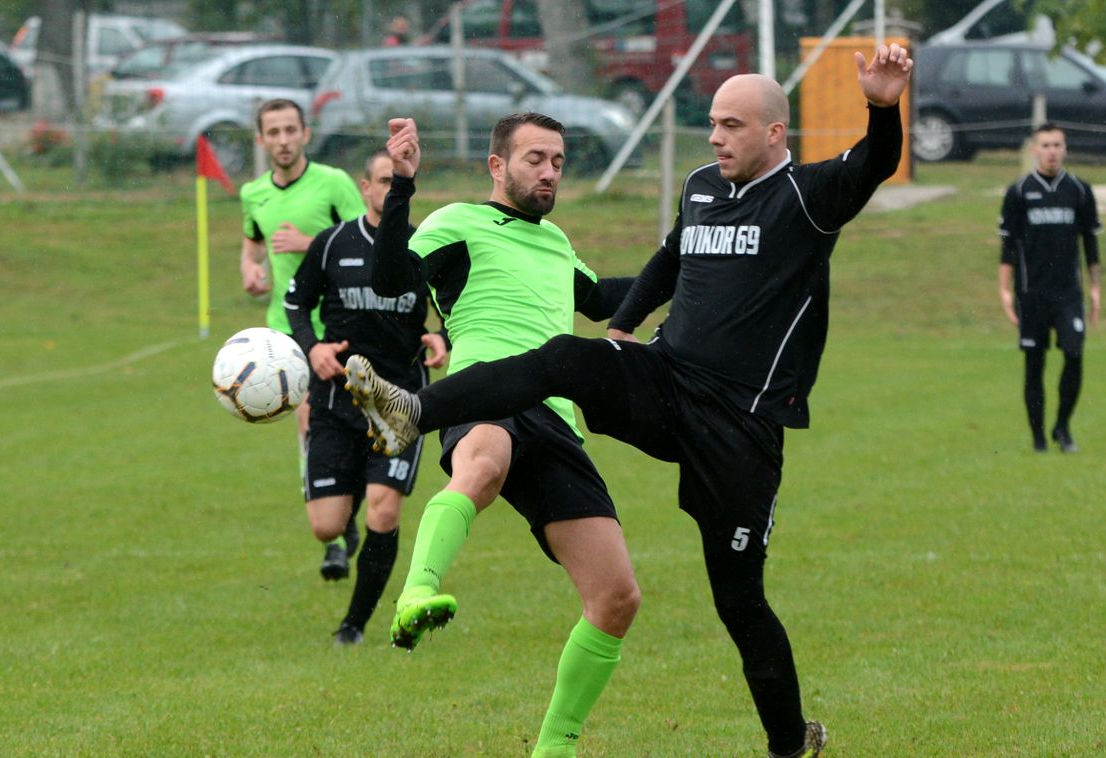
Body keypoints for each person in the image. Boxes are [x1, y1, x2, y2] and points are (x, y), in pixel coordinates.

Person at [345, 47, 914, 758]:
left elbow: (872, 162)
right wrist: (622, 326)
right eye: (712, 123)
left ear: (774, 133)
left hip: (739, 425)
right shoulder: (703, 185)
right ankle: (410, 413)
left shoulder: (808, 194)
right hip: (666, 380)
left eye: (731, 125)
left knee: (737, 599)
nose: (714, 137)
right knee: (559, 362)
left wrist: (882, 105)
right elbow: (673, 258)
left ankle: (787, 742)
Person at [358, 112, 640, 757]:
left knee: (617, 596)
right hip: (483, 390)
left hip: (556, 416)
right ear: (497, 165)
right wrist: (402, 186)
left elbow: (604, 302)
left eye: (558, 163)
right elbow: (391, 280)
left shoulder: (558, 241)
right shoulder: (458, 221)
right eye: (535, 159)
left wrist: (694, 263)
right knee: (482, 465)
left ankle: (555, 748)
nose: (548, 173)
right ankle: (416, 592)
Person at [284, 150, 448, 644]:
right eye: (382, 181)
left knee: (385, 509)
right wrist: (312, 350)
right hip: (336, 401)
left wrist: (445, 337)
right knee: (326, 526)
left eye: (397, 183)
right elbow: (296, 304)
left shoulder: (425, 246)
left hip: (401, 402)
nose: (388, 190)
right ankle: (345, 522)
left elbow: (457, 307)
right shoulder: (332, 244)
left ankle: (353, 626)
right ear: (365, 187)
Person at [239, 98, 367, 579]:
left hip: (340, 323)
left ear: (306, 134)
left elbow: (364, 238)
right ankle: (334, 538)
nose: (283, 140)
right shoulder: (254, 193)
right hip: (287, 329)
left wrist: (308, 243)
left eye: (291, 130)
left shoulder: (333, 183)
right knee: (306, 422)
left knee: (350, 425)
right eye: (273, 132)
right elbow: (252, 248)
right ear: (261, 140)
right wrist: (253, 273)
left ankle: (344, 510)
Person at [998, 123, 1102, 453]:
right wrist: (1004, 290)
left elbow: (1090, 243)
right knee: (1034, 364)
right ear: (1034, 150)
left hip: (1069, 294)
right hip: (1031, 294)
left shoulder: (1079, 191)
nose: (1052, 151)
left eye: (1057, 145)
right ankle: (1039, 437)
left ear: (1065, 148)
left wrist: (1096, 287)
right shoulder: (1019, 192)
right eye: (1045, 145)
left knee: (1073, 354)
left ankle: (1062, 427)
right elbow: (1008, 247)